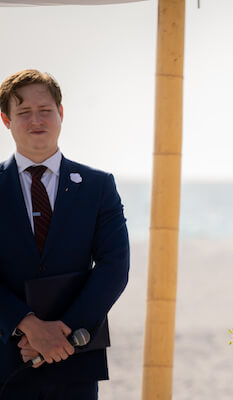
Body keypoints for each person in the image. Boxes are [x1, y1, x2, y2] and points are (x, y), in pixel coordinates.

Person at [0, 69, 129, 399]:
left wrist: (62, 334)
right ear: (6, 120)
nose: (36, 120)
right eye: (23, 112)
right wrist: (28, 325)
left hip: (75, 359)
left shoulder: (99, 186)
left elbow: (114, 267)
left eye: (45, 110)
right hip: (4, 359)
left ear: (61, 113)